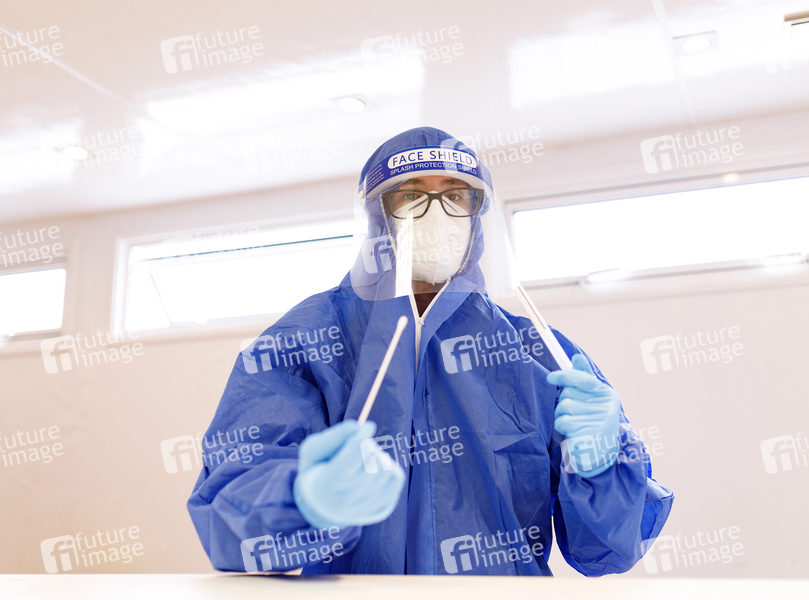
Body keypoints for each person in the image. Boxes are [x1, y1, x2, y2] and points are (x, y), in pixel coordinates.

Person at [187, 127, 673, 576]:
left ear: (476, 214)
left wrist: (601, 470)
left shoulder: (539, 353)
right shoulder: (305, 342)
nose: (437, 214)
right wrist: (301, 497)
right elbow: (226, 521)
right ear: (378, 214)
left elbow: (607, 552)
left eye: (455, 196)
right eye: (412, 195)